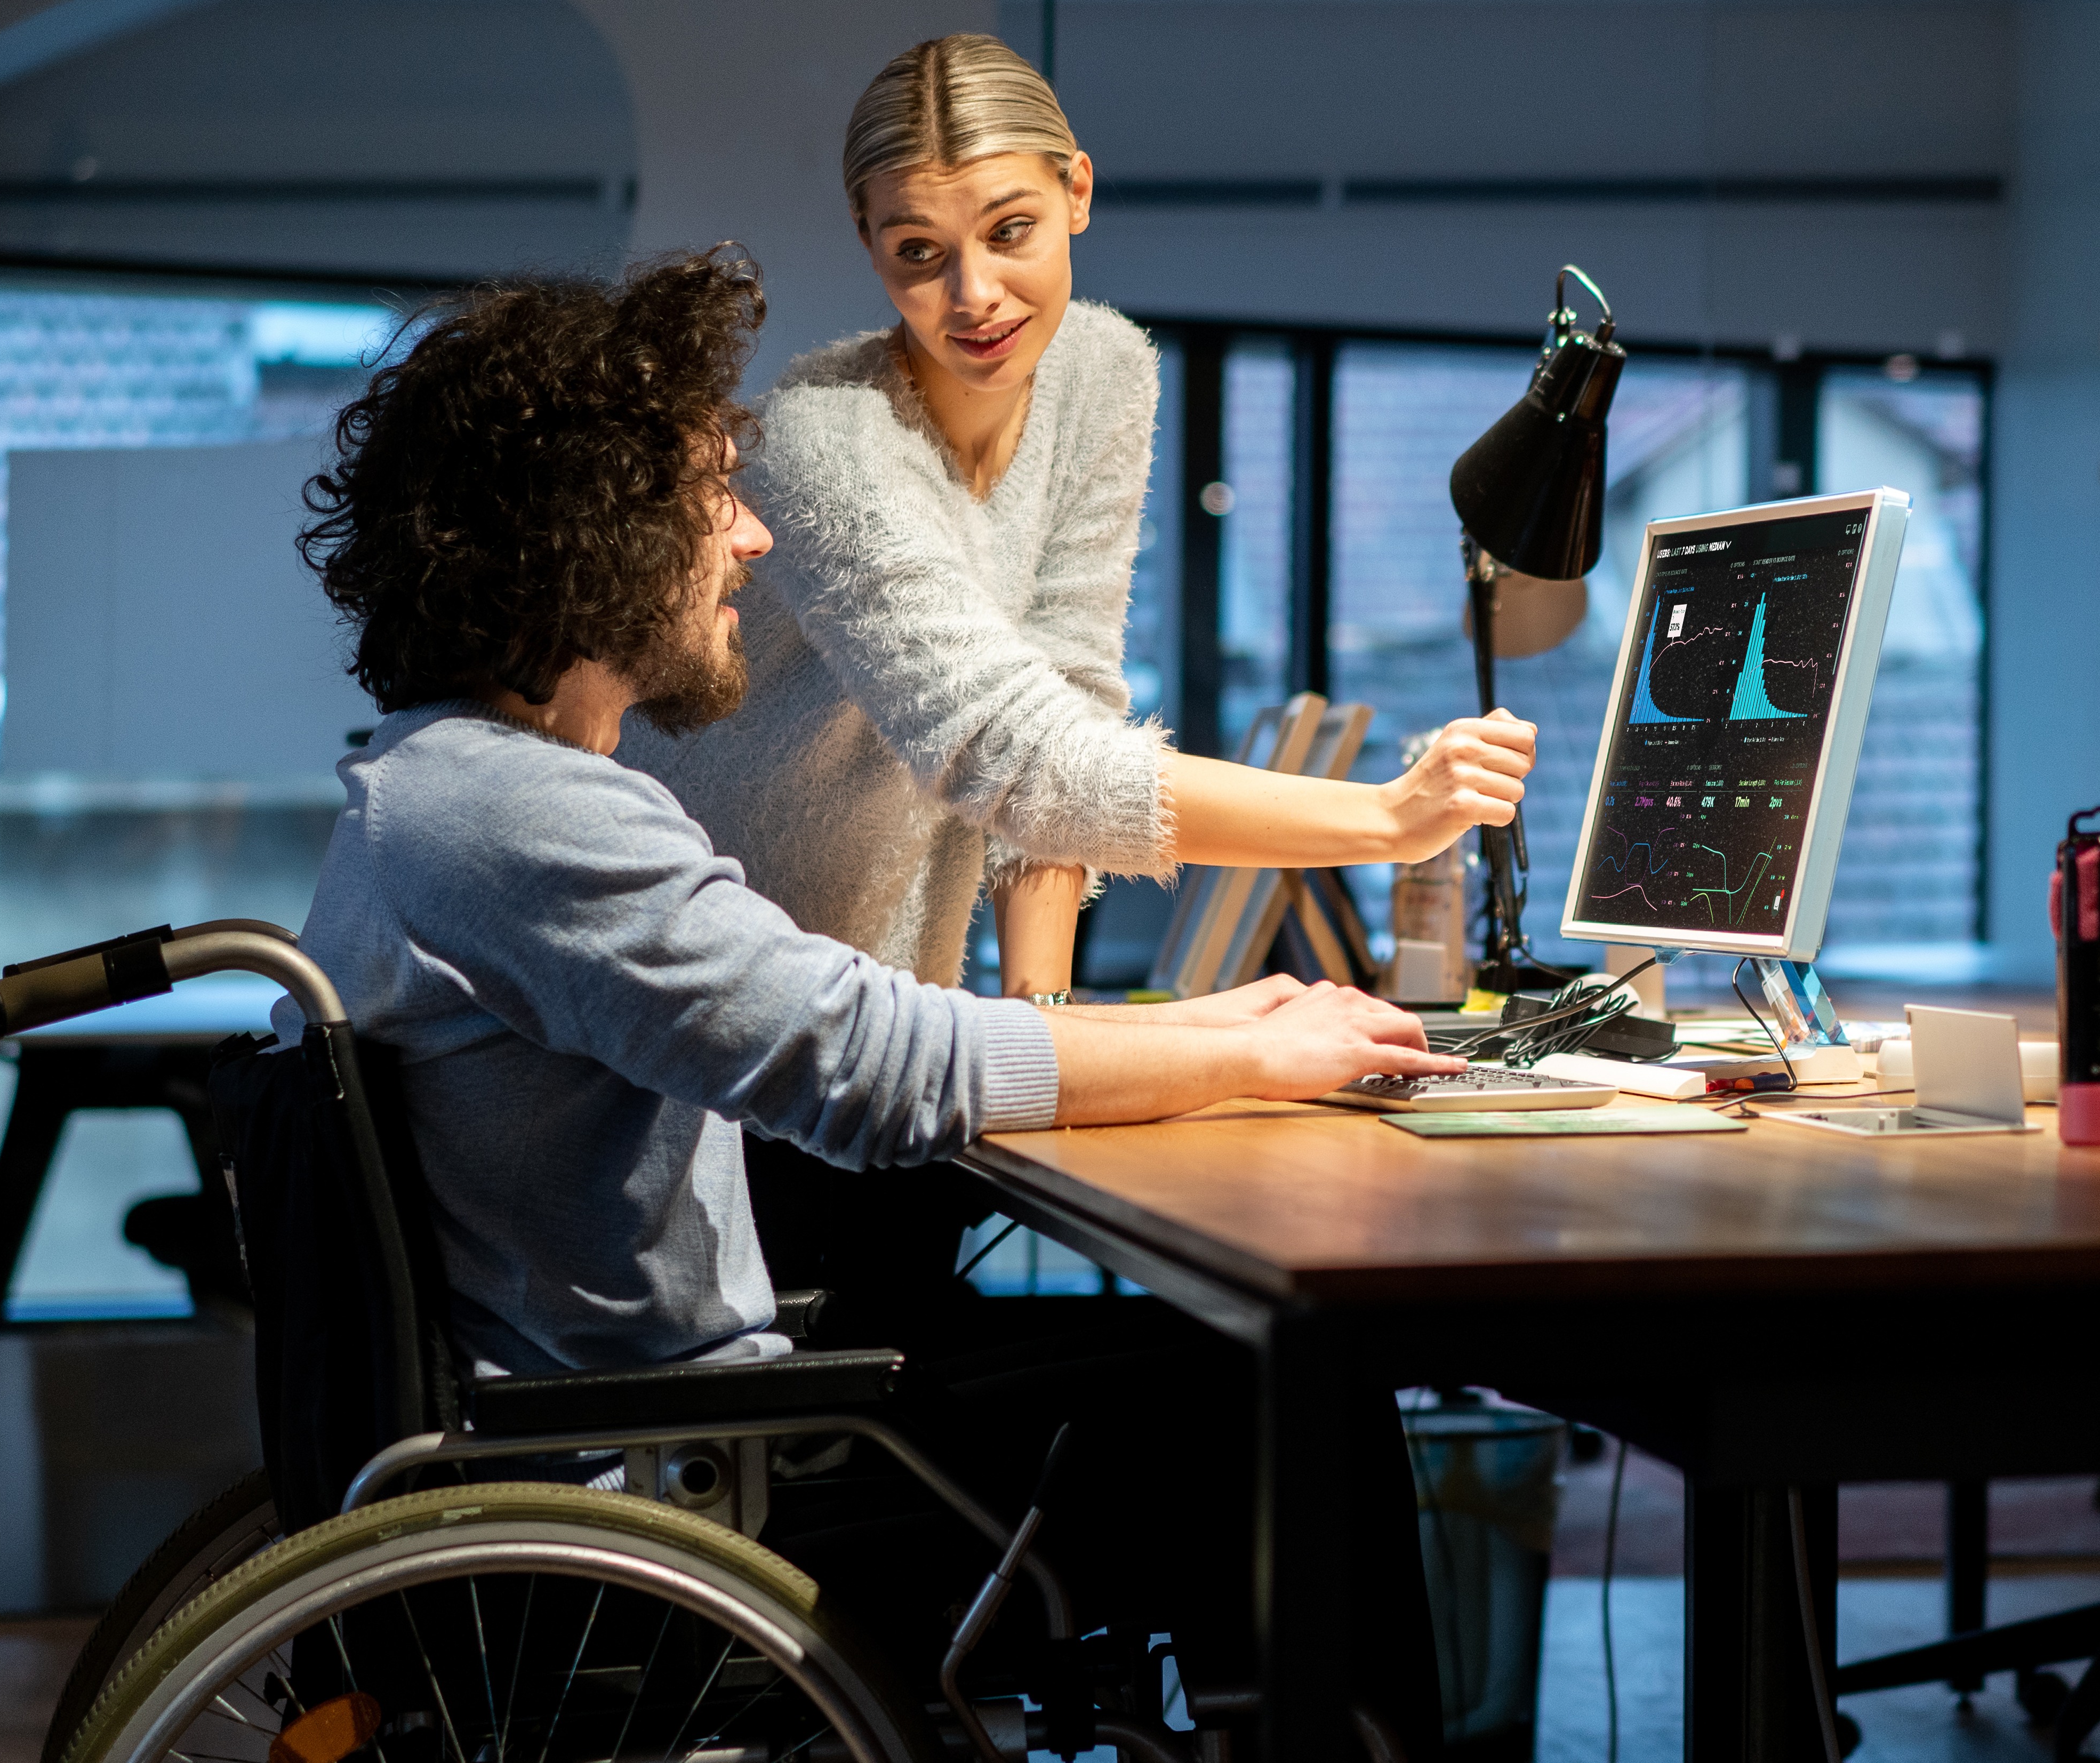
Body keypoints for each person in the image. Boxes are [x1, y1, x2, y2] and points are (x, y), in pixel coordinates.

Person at [285, 252, 1445, 1730]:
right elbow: (870, 1069)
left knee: (1198, 1368)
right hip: (688, 1487)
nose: (754, 539)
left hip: (643, 1440)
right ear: (596, 534)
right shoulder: (523, 818)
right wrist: (1244, 1057)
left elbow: (822, 1005)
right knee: (1271, 1397)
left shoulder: (447, 790)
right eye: (715, 497)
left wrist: (1227, 1026)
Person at [611, 33, 1539, 1319]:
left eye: (1010, 231)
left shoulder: (1102, 370)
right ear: (868, 241)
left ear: (1078, 194)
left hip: (906, 1024)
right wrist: (1388, 820)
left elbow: (1067, 696)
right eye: (917, 255)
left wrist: (1043, 1010)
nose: (973, 296)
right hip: (754, 1052)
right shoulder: (828, 444)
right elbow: (1013, 757)